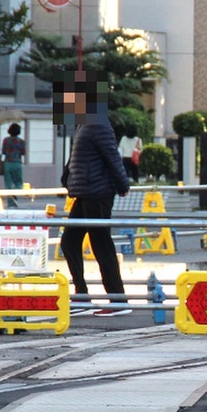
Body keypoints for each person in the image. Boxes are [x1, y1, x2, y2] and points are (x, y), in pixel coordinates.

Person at [58, 75, 132, 316]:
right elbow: (76, 159)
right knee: (70, 241)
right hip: (85, 192)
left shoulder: (98, 124)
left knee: (101, 244)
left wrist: (123, 184)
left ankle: (117, 300)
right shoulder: (84, 125)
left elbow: (112, 156)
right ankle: (82, 296)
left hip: (97, 192)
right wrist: (67, 178)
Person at [0, 123, 26, 207]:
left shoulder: (5, 140)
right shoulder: (21, 141)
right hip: (17, 163)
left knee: (8, 184)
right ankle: (15, 191)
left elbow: (3, 151)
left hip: (7, 163)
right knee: (19, 182)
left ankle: (10, 203)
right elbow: (23, 152)